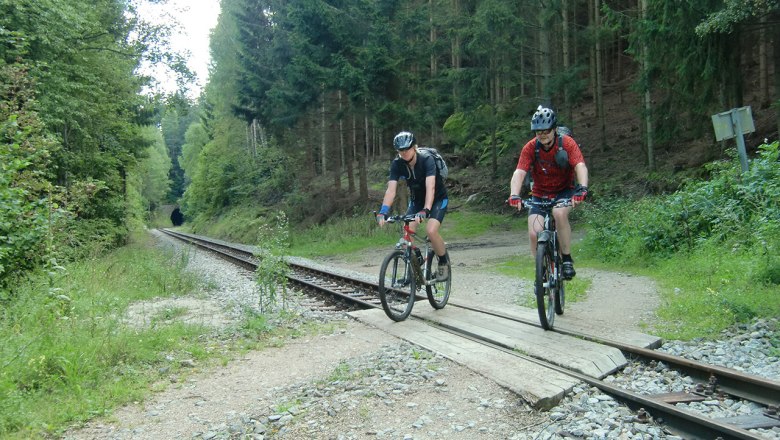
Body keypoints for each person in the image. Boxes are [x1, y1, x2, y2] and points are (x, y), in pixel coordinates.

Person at [508, 106, 589, 279]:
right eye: (538, 132)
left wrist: (581, 188)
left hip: (564, 191)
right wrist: (514, 194)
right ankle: (541, 270)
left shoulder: (567, 143)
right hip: (539, 193)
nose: (542, 135)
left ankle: (566, 258)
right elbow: (519, 172)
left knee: (559, 214)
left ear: (554, 129)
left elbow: (580, 165)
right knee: (533, 233)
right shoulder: (530, 148)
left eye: (546, 131)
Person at [376, 131, 450, 281]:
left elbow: (431, 187)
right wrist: (383, 211)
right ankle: (414, 270)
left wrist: (426, 209)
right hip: (417, 201)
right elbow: (391, 190)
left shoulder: (426, 159)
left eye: (407, 149)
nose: (404, 153)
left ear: (414, 147)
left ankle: (443, 263)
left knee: (431, 230)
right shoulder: (397, 164)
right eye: (400, 150)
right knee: (407, 234)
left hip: (437, 199)